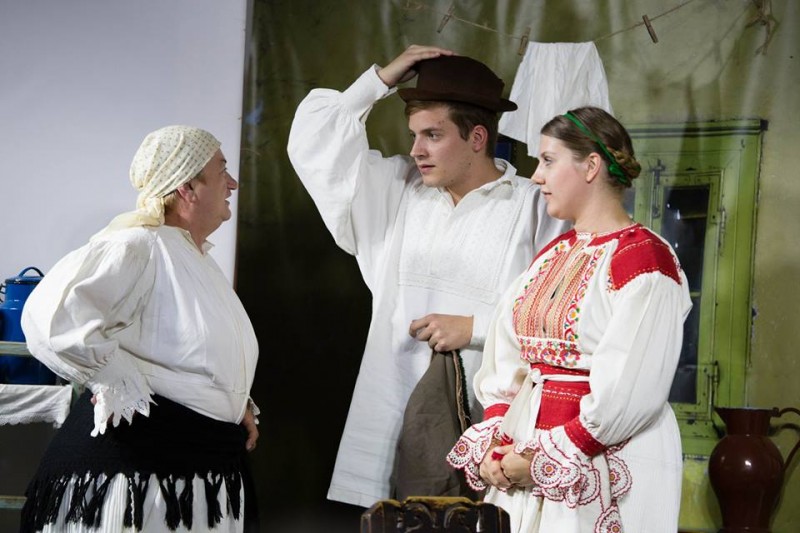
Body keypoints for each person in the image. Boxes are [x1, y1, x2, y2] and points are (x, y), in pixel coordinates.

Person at [287, 44, 570, 507]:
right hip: (392, 417)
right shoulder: (397, 191)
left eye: (433, 135)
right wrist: (381, 79)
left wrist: (476, 328)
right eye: (414, 135)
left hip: (495, 430)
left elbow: (564, 318)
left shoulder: (535, 206)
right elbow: (313, 141)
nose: (416, 150)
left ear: (477, 137)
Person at [446, 106, 693, 532]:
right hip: (528, 445)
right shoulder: (553, 255)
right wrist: (499, 437)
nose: (536, 176)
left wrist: (546, 457)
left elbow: (631, 385)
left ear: (591, 166)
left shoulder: (642, 259)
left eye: (548, 160)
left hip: (600, 453)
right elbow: (508, 353)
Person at [19, 125, 260, 532]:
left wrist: (235, 405)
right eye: (222, 171)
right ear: (187, 188)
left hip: (189, 464)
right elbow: (51, 320)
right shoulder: (138, 244)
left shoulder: (193, 256)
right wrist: (116, 380)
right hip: (139, 474)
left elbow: (189, 352)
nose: (233, 183)